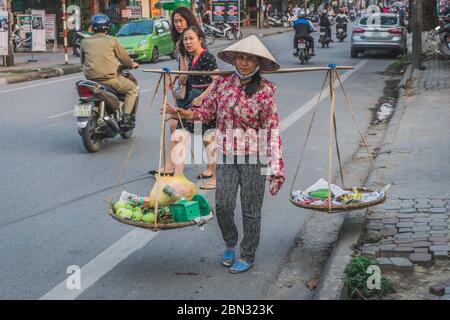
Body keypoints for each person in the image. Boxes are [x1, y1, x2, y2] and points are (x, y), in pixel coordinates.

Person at [165, 35, 285, 274]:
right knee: (223, 205)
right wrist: (184, 113)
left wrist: (275, 165)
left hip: (255, 155)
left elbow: (272, 128)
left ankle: (248, 253)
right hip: (227, 154)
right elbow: (207, 112)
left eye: (250, 59)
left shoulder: (264, 91)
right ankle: (230, 241)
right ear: (235, 59)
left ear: (258, 63)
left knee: (251, 210)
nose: (244, 63)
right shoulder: (224, 84)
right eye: (241, 57)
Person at [148, 7, 206, 177]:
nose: (178, 24)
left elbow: (198, 65)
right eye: (175, 21)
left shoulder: (194, 39)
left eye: (181, 20)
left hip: (197, 91)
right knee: (177, 126)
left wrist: (187, 77)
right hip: (185, 89)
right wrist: (173, 80)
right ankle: (170, 167)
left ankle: (207, 169)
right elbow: (181, 66)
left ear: (189, 20)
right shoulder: (179, 41)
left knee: (202, 131)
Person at [172, 26, 219, 189]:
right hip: (192, 101)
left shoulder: (207, 57)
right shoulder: (191, 58)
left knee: (208, 138)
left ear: (200, 39)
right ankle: (178, 176)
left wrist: (201, 97)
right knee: (180, 133)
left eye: (191, 38)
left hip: (206, 103)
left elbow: (216, 81)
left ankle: (215, 174)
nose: (188, 42)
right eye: (185, 39)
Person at [80, 13, 139, 129]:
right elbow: (124, 59)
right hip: (110, 80)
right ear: (107, 27)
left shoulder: (84, 42)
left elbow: (83, 61)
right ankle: (126, 118)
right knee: (132, 89)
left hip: (90, 81)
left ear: (92, 27)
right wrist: (131, 64)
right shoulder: (112, 40)